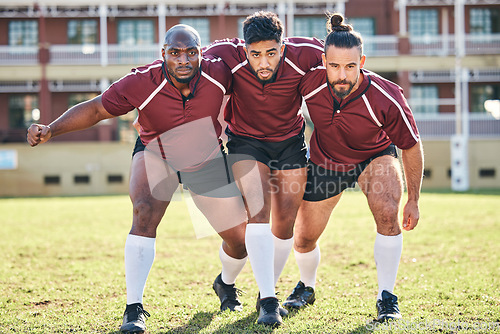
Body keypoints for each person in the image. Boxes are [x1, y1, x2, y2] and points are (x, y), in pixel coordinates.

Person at [27, 25, 249, 334]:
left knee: (241, 241)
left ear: (201, 53)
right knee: (143, 210)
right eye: (175, 53)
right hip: (157, 148)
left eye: (191, 53)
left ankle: (225, 284)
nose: (183, 60)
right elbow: (94, 110)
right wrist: (51, 129)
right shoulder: (141, 82)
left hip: (205, 153)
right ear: (163, 55)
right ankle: (134, 308)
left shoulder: (221, 71)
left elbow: (261, 50)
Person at [282, 13, 424, 322]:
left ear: (362, 61)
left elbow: (411, 145)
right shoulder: (309, 83)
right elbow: (274, 51)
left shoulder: (386, 95)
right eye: (334, 66)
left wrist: (413, 199)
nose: (341, 75)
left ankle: (387, 296)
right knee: (303, 238)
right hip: (327, 160)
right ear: (323, 61)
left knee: (388, 214)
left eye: (350, 66)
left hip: (374, 156)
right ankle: (306, 286)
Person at [203, 11, 324, 326]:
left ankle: (242, 287)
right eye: (255, 54)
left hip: (289, 142)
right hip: (246, 142)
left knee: (285, 224)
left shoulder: (306, 54)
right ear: (244, 50)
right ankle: (269, 300)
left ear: (282, 47)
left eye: (271, 53)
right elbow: (184, 67)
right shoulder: (224, 55)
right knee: (258, 213)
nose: (264, 62)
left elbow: (344, 63)